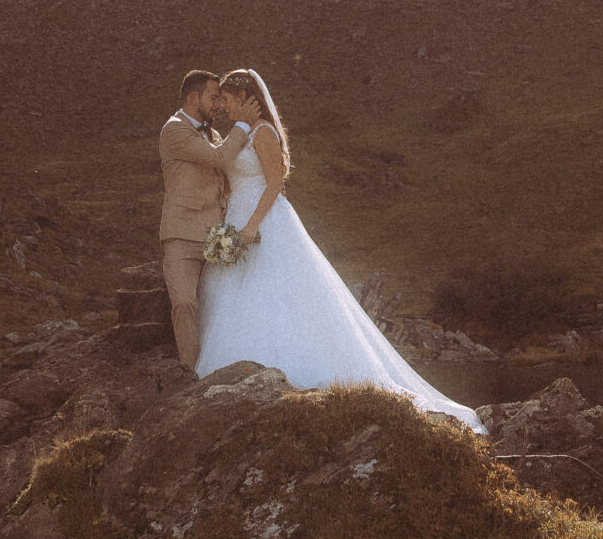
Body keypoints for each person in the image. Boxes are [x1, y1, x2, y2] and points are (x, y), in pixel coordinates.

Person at [196, 66, 481, 432]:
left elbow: (274, 183)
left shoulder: (263, 132)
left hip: (262, 220)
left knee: (274, 293)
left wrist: (252, 224)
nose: (224, 106)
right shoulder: (238, 134)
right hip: (236, 217)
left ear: (246, 99)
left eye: (229, 99)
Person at [158, 69, 248, 370]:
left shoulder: (215, 134)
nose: (219, 105)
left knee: (229, 301)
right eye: (212, 98)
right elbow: (220, 158)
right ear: (193, 97)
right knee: (184, 304)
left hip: (216, 234)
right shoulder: (174, 130)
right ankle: (191, 377)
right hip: (182, 236)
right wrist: (245, 123)